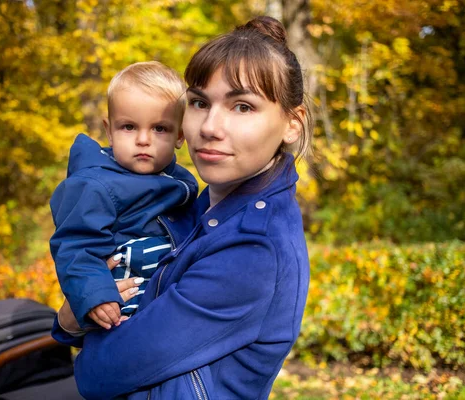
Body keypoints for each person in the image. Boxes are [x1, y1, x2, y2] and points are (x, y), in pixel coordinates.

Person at [53, 16, 312, 399]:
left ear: (292, 123)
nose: (210, 126)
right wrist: (75, 314)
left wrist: (78, 332)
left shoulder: (253, 247)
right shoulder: (202, 204)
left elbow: (97, 375)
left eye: (242, 107)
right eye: (199, 102)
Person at [50, 61, 198, 331]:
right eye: (129, 127)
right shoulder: (95, 185)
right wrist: (95, 296)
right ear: (109, 131)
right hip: (119, 307)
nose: (143, 139)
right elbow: (76, 246)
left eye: (159, 129)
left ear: (180, 136)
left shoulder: (178, 181)